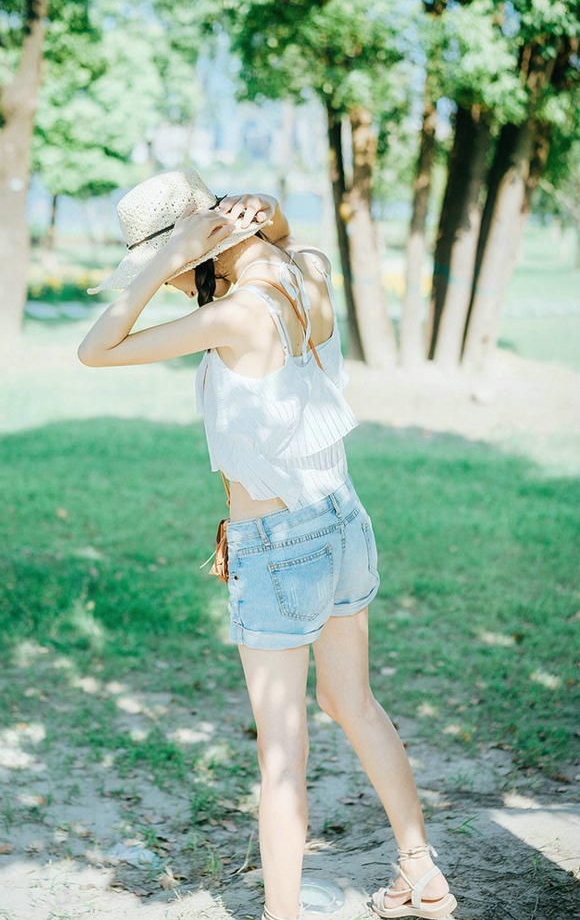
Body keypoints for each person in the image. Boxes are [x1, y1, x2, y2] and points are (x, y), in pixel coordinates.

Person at [78, 168, 457, 920]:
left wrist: (168, 257)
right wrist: (261, 218)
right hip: (341, 517)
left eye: (173, 271)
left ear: (198, 250)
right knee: (352, 701)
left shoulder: (235, 316)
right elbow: (284, 236)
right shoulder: (306, 270)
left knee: (282, 750)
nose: (174, 286)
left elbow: (96, 349)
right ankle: (421, 871)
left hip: (279, 546)